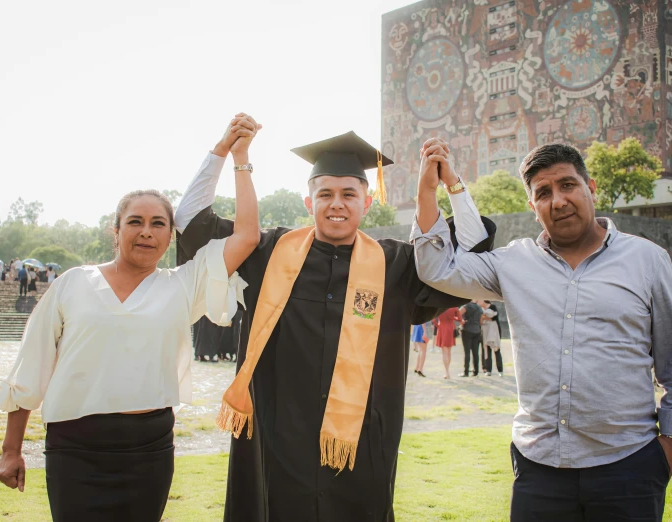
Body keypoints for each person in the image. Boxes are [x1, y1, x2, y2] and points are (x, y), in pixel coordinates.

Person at [175, 130, 493, 522]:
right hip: (277, 439)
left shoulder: (397, 266)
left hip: (362, 442)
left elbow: (473, 256)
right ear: (309, 202)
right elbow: (190, 223)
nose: (336, 204)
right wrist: (222, 151)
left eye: (348, 194)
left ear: (367, 202)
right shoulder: (266, 252)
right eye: (325, 194)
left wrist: (448, 185)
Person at [0, 114, 262, 522]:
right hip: (74, 448)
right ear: (116, 231)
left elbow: (247, 236)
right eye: (135, 222)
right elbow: (32, 368)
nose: (146, 231)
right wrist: (11, 449)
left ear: (170, 236)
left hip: (147, 449)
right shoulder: (72, 284)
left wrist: (234, 154)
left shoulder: (185, 284)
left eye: (158, 224)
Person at [412, 139, 672, 521]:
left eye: (568, 185)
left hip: (629, 466)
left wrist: (671, 444)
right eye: (543, 193)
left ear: (590, 188)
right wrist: (431, 189)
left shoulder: (647, 260)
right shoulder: (513, 264)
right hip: (539, 470)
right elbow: (439, 268)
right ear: (533, 208)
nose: (558, 200)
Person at [433, 307, 463, 379]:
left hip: (442, 328)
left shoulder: (439, 307)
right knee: (449, 351)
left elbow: (433, 319)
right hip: (450, 327)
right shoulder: (454, 307)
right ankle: (447, 371)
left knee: (444, 352)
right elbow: (460, 319)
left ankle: (447, 372)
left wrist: (438, 326)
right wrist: (453, 318)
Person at [459, 300, 483, 377]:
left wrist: (462, 321)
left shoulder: (466, 306)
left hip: (467, 330)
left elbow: (458, 314)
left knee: (467, 352)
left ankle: (466, 372)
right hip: (477, 331)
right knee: (475, 352)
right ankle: (476, 371)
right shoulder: (479, 308)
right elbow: (481, 321)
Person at [480, 300, 503, 377]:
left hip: (493, 330)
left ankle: (500, 370)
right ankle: (488, 369)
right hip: (485, 330)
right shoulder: (480, 309)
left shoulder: (493, 307)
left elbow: (494, 318)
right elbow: (480, 320)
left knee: (496, 349)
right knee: (487, 350)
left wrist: (485, 317)